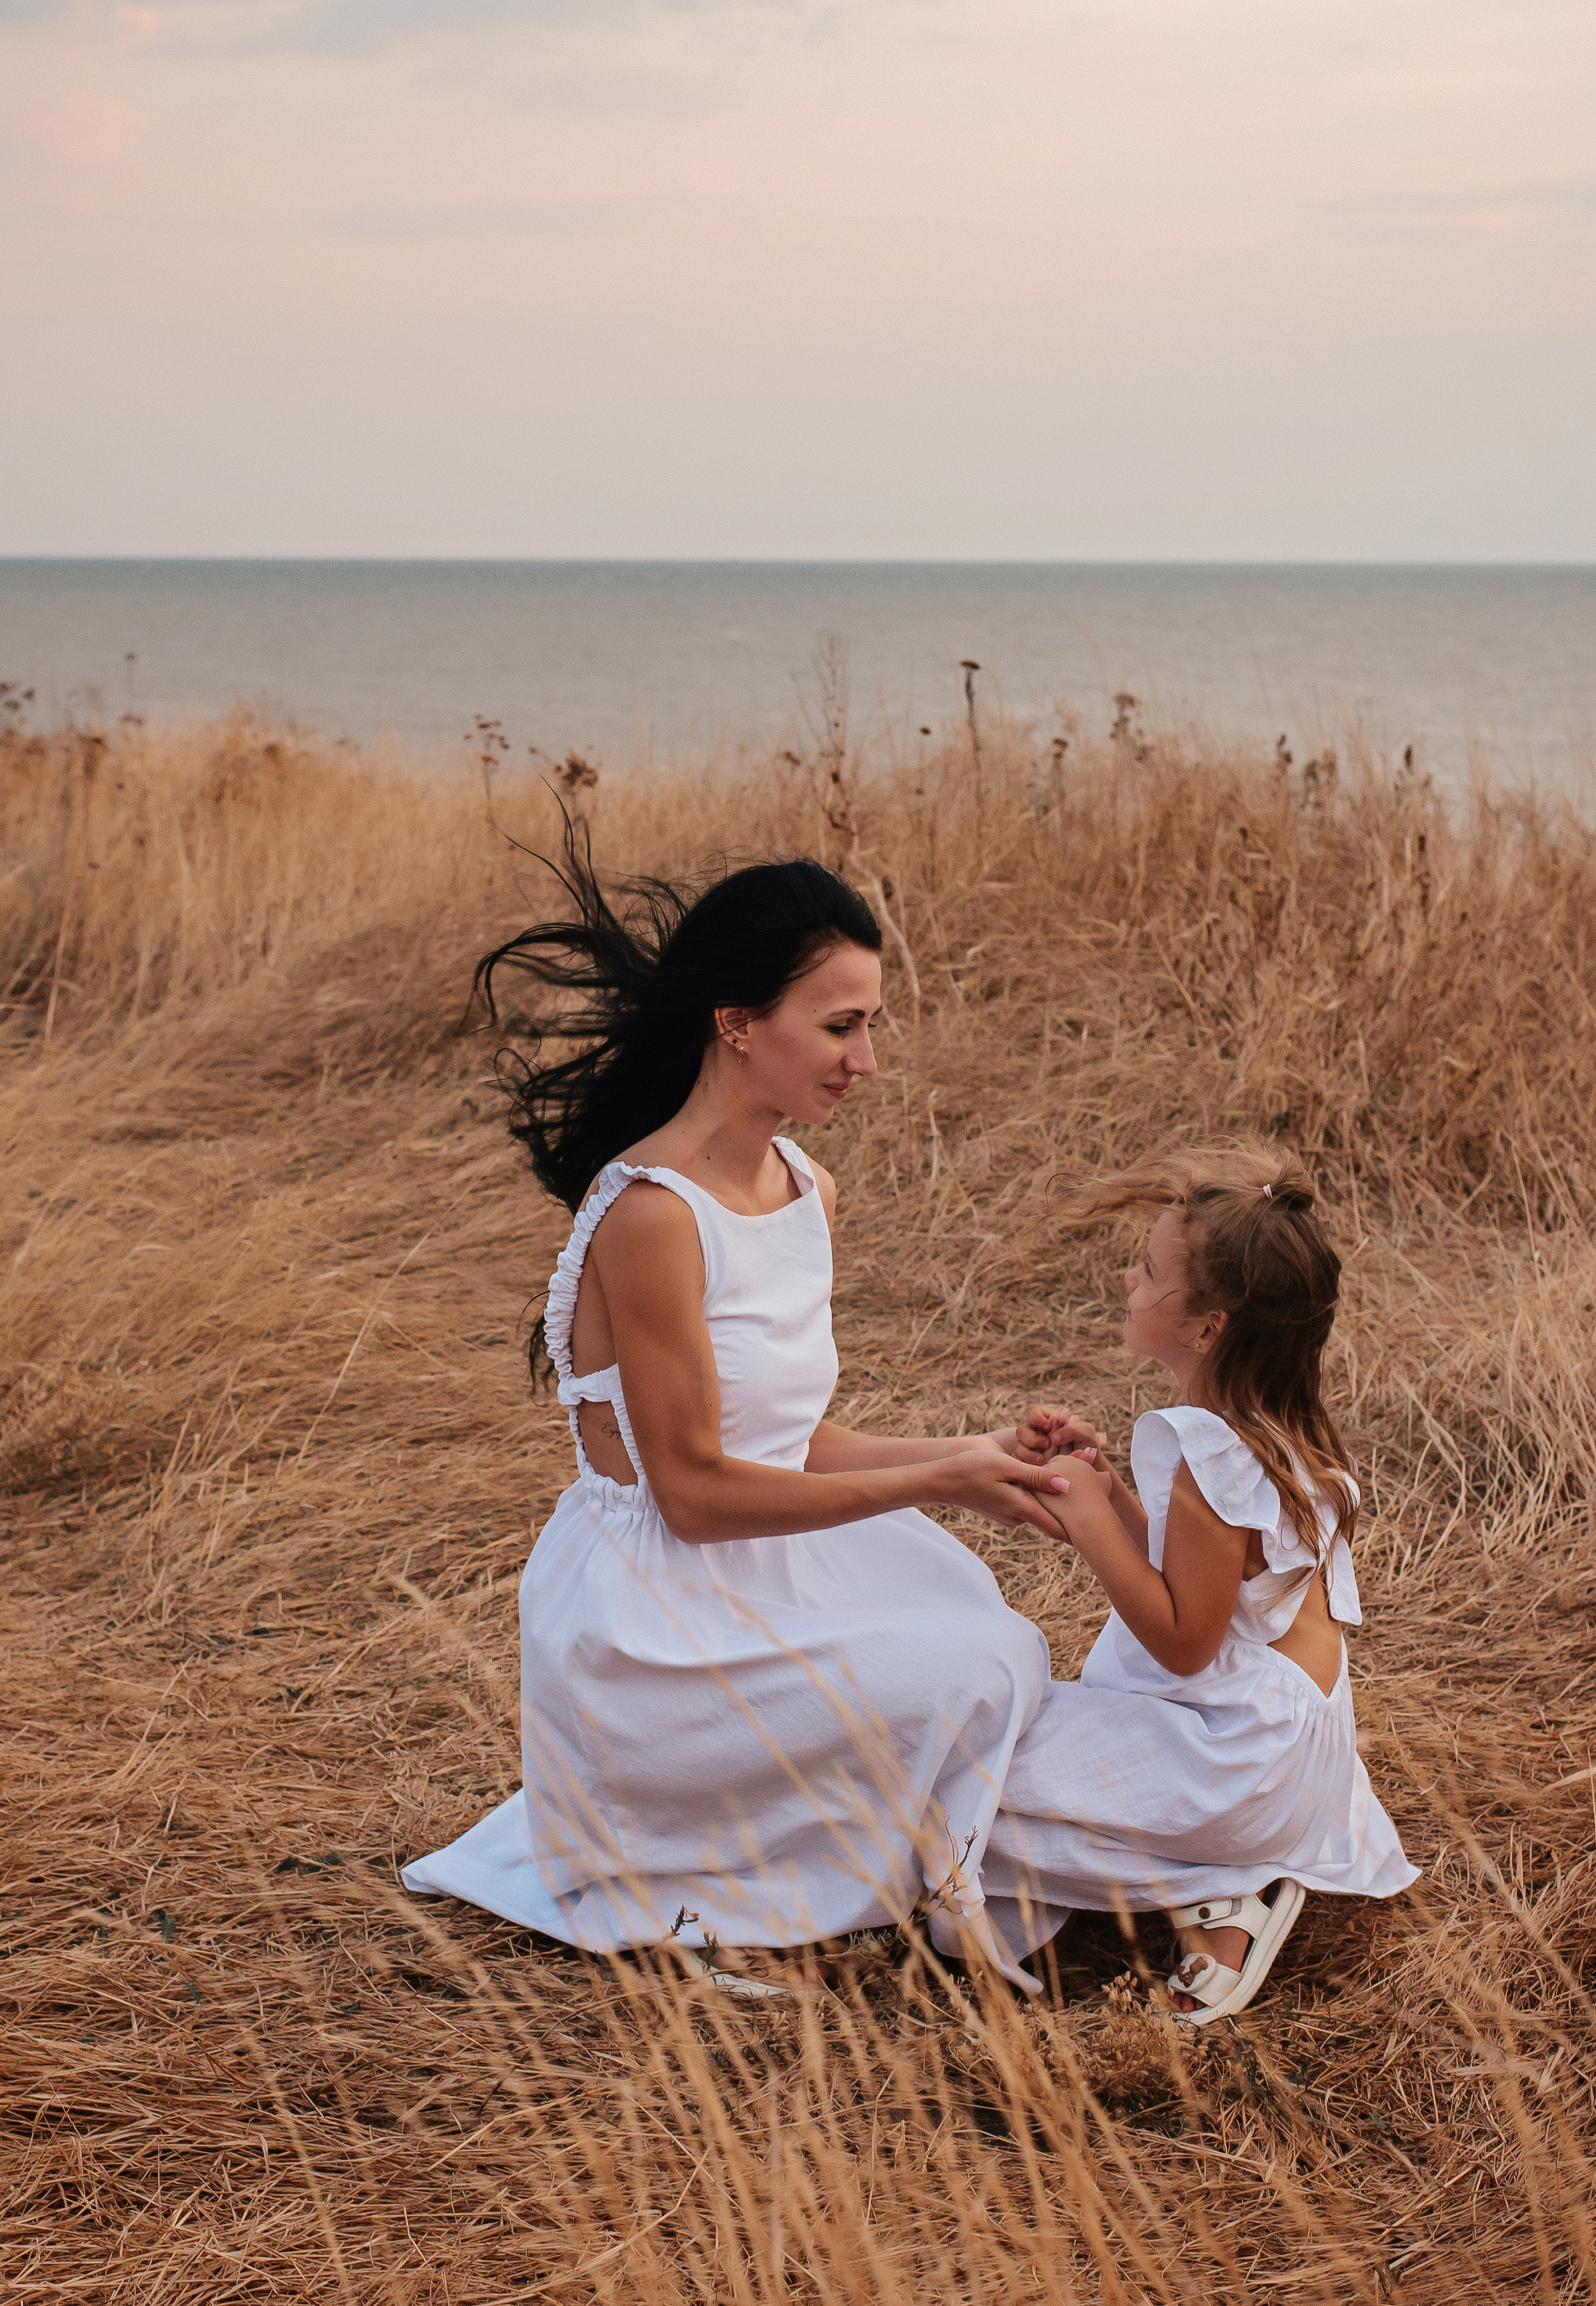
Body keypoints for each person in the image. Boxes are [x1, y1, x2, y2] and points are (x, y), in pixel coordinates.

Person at [400, 840, 1064, 1993]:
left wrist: (969, 1451)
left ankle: (854, 1867)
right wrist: (938, 1481)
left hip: (772, 1559)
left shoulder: (806, 1185)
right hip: (656, 1618)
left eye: (870, 1024)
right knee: (982, 1658)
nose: (867, 1058)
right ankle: (707, 1862)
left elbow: (794, 1438)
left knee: (994, 1632)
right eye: (841, 1024)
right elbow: (699, 1492)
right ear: (741, 1021)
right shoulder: (652, 1213)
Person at [984, 1152, 1418, 2025]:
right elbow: (1206, 1580)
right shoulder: (1276, 1429)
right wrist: (1103, 1486)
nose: (1128, 1278)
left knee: (960, 1789)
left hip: (1233, 1767)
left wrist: (1086, 1522)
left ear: (1208, 1327)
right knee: (985, 1778)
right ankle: (1219, 1875)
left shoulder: (1208, 1450)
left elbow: (1182, 1639)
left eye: (1147, 1272)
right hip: (1297, 1756)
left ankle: (1223, 1889)